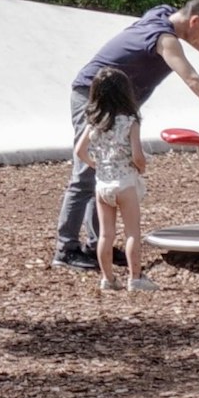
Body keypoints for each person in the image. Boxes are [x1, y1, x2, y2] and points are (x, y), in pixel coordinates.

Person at [55, 0, 199, 270]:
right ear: (194, 20)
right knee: (87, 173)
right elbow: (193, 79)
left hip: (120, 106)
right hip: (91, 96)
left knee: (107, 171)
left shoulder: (164, 14)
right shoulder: (165, 39)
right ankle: (66, 250)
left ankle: (96, 245)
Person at [80, 74, 152, 291]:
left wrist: (97, 165)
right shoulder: (130, 121)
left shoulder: (94, 121)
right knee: (132, 232)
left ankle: (108, 278)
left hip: (102, 184)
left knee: (105, 234)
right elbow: (137, 155)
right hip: (125, 183)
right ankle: (136, 278)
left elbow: (79, 151)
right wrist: (141, 167)